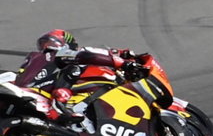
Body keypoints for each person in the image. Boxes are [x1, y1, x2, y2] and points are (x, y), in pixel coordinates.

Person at [13, 29, 145, 91]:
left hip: (41, 89)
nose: (45, 47)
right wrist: (123, 59)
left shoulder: (36, 58)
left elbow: (106, 53)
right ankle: (60, 106)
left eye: (47, 43)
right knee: (74, 69)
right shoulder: (53, 55)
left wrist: (125, 54)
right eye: (43, 45)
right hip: (46, 91)